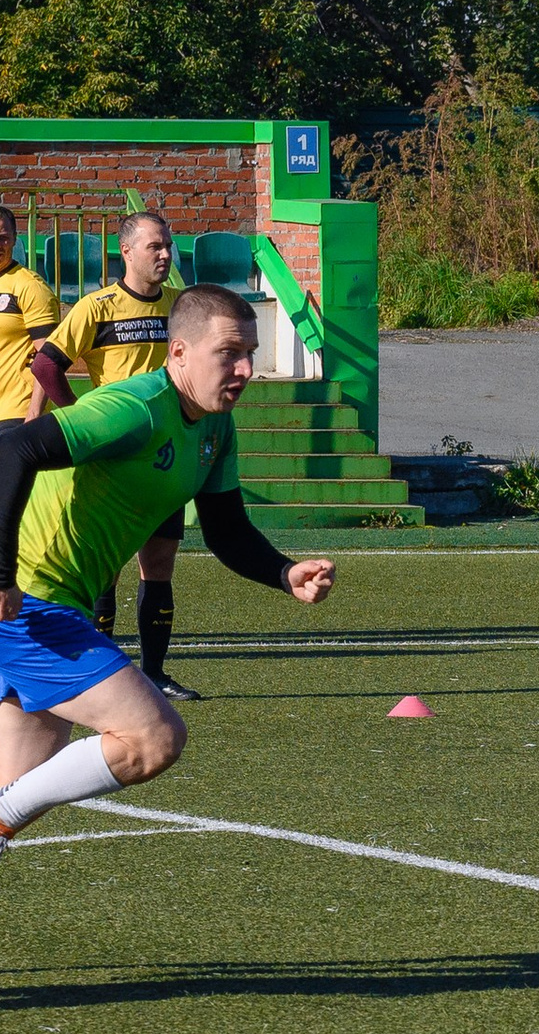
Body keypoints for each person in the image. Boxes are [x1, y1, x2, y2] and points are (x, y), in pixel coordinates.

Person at [0, 285, 334, 848]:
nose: (246, 369)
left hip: (59, 606)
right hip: (28, 604)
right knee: (152, 738)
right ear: (178, 353)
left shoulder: (214, 427)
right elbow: (13, 451)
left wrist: (284, 572)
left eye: (251, 352)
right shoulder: (134, 407)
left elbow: (227, 530)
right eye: (228, 353)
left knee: (14, 806)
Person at [31, 209, 197, 697]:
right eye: (155, 247)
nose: (165, 254)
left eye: (168, 246)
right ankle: (100, 676)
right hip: (114, 462)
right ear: (126, 251)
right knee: (105, 569)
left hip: (165, 459)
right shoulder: (96, 307)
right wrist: (84, 419)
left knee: (159, 566)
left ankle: (155, 674)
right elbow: (45, 366)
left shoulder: (182, 307)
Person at [0, 207, 61, 422]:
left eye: (4, 238)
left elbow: (49, 358)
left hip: (16, 414)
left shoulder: (30, 286)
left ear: (15, 240)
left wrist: (33, 417)